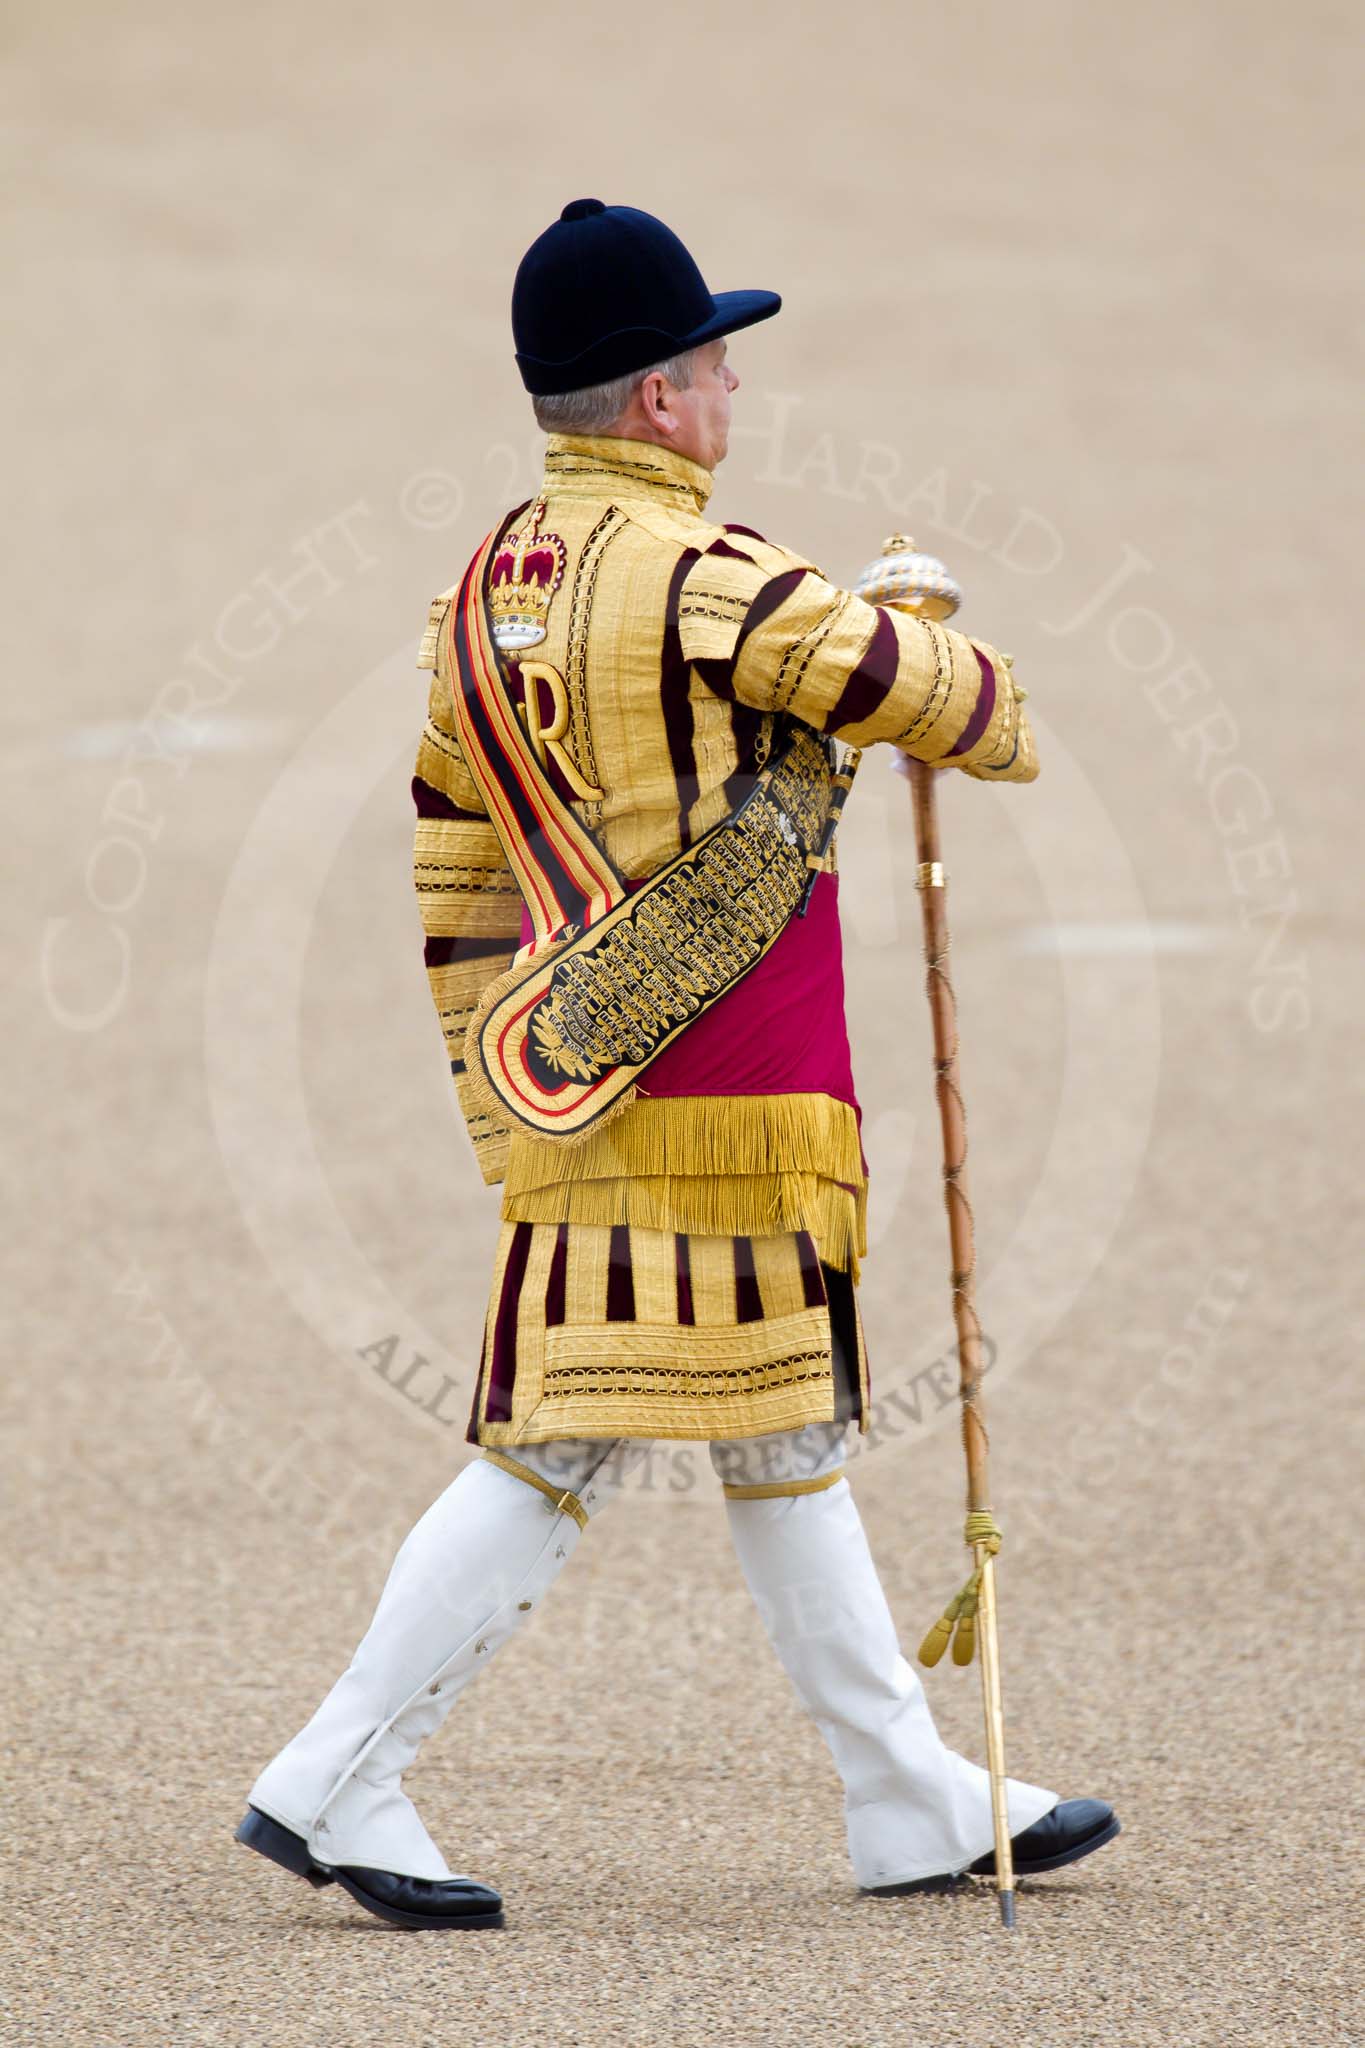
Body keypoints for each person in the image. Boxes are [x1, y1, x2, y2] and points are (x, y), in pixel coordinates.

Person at [235, 200, 1118, 1931]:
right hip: (734, 1094)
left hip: (579, 1069)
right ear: (654, 400)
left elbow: (452, 859)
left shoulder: (480, 589)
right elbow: (983, 718)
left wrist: (504, 1092)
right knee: (553, 1447)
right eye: (714, 361)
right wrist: (920, 616)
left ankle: (902, 1791)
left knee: (777, 1432)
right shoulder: (718, 579)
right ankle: (336, 1768)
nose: (730, 388)